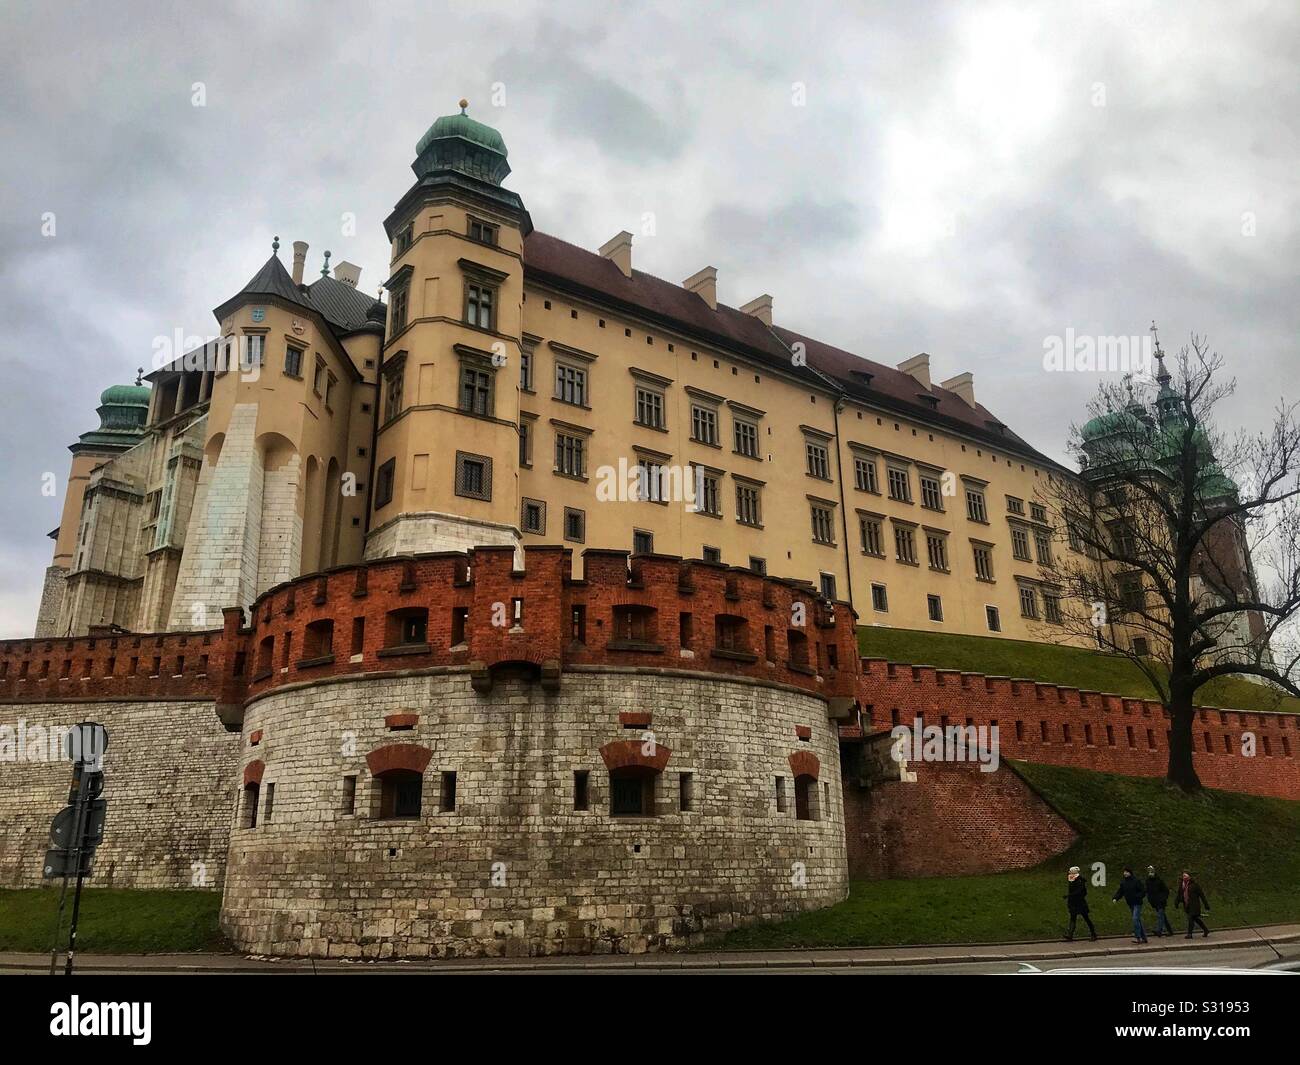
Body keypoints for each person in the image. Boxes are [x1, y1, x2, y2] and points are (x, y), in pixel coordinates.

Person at [1112, 866, 1148, 943]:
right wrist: (1115, 898)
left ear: (1130, 873)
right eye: (1124, 872)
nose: (1125, 873)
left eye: (1127, 872)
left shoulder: (1136, 881)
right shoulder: (1123, 883)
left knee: (1135, 919)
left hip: (1137, 903)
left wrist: (1138, 896)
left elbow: (1143, 890)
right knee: (1137, 920)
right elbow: (1120, 892)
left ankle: (1137, 937)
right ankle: (1144, 938)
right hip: (1130, 903)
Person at [1064, 865, 1098, 941]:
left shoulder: (1080, 881)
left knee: (1086, 918)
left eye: (1070, 871)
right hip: (1073, 902)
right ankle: (1070, 934)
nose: (1069, 872)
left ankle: (1093, 934)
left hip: (1080, 902)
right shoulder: (1071, 879)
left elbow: (1081, 891)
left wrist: (1069, 895)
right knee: (1073, 918)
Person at [1174, 870, 1211, 938]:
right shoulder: (1182, 885)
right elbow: (1179, 894)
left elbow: (1202, 895)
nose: (1184, 877)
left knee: (1191, 918)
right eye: (1183, 876)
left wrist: (1206, 905)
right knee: (1196, 919)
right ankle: (1206, 930)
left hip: (1194, 905)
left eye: (1185, 876)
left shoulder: (1195, 885)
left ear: (1189, 877)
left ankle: (1189, 934)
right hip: (1187, 905)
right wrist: (1177, 902)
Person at [1145, 866, 1172, 937]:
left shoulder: (1159, 881)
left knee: (1160, 915)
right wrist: (1149, 899)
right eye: (1149, 872)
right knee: (1163, 916)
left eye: (1152, 872)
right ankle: (1170, 931)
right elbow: (1148, 891)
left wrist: (1163, 898)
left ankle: (1159, 930)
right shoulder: (1148, 881)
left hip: (1161, 901)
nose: (1150, 873)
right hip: (1154, 902)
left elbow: (1166, 891)